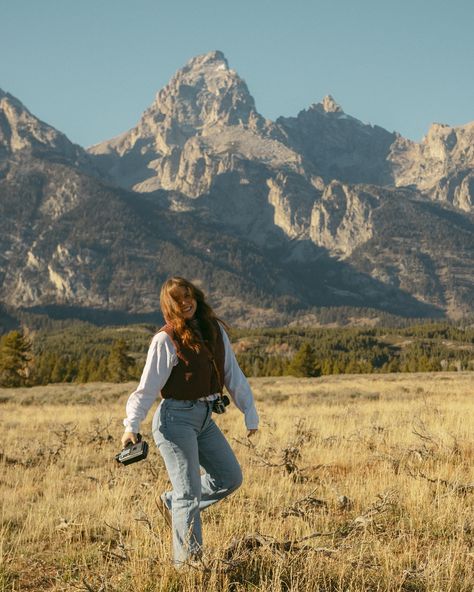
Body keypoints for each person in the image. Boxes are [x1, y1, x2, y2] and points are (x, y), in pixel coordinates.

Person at [121, 276, 259, 566]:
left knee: (230, 477)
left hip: (206, 417)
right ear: (169, 306)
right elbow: (146, 388)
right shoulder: (165, 339)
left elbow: (232, 372)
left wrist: (249, 410)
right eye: (178, 299)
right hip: (175, 420)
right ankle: (189, 567)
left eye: (189, 296)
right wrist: (131, 426)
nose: (186, 303)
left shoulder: (215, 330)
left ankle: (170, 503)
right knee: (189, 495)